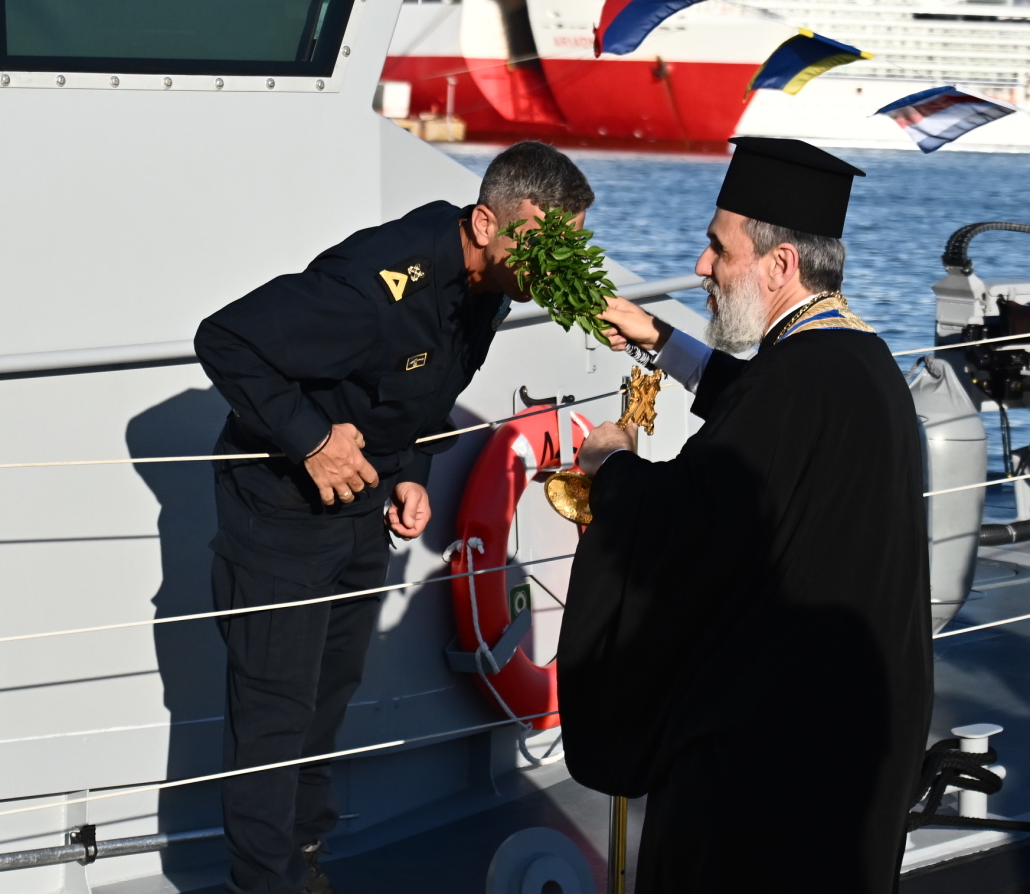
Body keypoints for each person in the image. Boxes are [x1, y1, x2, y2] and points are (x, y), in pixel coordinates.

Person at [194, 142, 596, 894]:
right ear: (486, 222)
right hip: (278, 509)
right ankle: (261, 885)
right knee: (274, 716)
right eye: (548, 243)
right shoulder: (379, 283)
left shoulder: (489, 288)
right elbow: (226, 338)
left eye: (572, 245)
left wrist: (410, 472)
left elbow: (411, 392)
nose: (559, 263)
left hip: (360, 506)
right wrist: (311, 439)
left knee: (329, 692)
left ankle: (304, 864)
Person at [557, 137, 932, 893]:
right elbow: (764, 412)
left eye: (716, 248)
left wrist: (613, 467)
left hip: (771, 762)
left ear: (779, 264)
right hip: (853, 736)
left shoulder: (794, 385)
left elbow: (691, 524)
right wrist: (662, 342)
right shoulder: (862, 362)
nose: (701, 267)